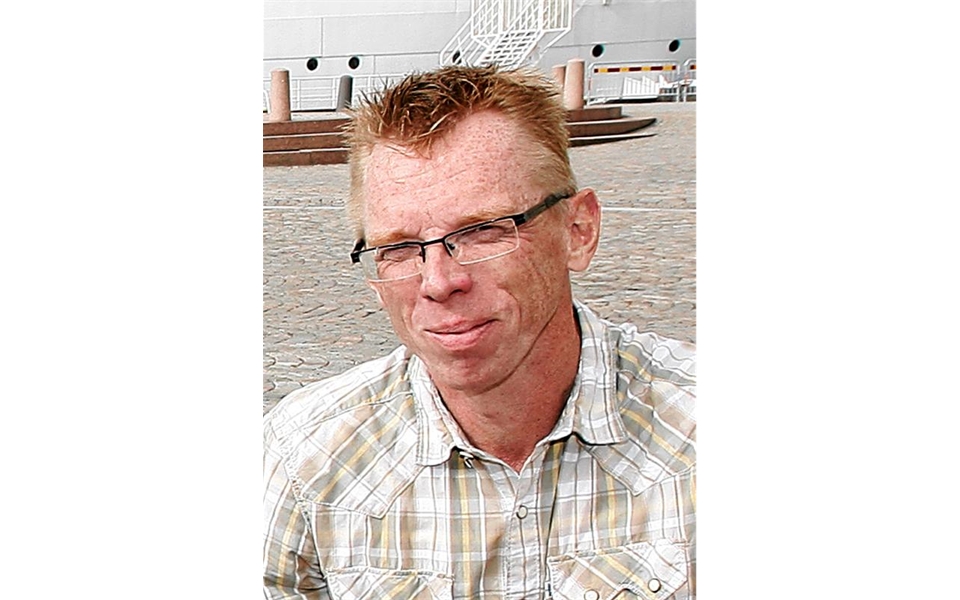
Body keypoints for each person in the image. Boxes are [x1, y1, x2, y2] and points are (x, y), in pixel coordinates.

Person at [263, 65, 696, 599]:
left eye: (482, 231)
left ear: (578, 231)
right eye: (399, 248)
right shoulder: (305, 461)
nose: (439, 282)